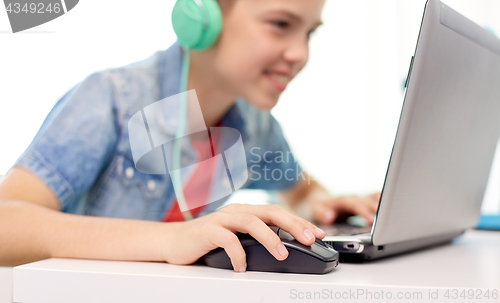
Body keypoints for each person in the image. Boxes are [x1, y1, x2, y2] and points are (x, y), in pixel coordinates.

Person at [0, 0, 379, 272]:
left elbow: (299, 190)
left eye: (310, 32)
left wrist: (325, 204)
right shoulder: (113, 98)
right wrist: (172, 239)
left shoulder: (254, 124)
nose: (299, 53)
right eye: (281, 24)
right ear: (203, 15)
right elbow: (6, 224)